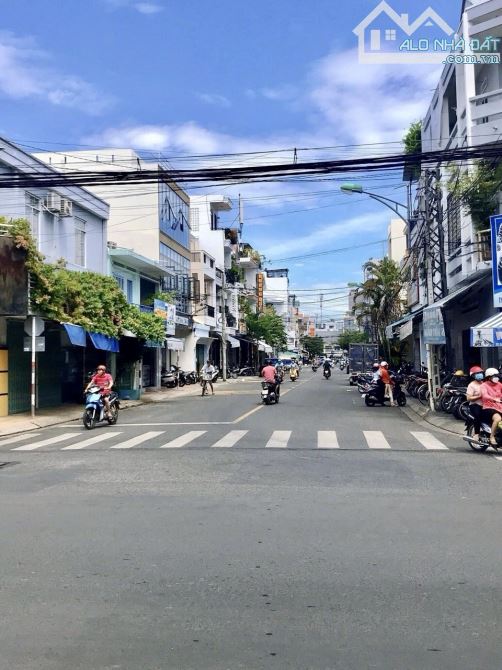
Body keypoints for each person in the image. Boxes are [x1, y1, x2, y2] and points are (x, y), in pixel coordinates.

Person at [479, 367, 502, 446]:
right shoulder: (484, 385)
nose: (496, 378)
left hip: (499, 406)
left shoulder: (499, 385)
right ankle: (492, 437)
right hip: (488, 407)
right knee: (498, 418)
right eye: (494, 376)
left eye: (497, 376)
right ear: (489, 377)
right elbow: (484, 396)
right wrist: (494, 399)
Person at [466, 366, 484, 436]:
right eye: (477, 373)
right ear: (473, 375)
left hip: (485, 404)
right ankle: (476, 433)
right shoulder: (471, 385)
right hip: (475, 405)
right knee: (478, 416)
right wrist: (479, 396)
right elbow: (468, 398)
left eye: (480, 373)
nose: (480, 374)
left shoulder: (484, 383)